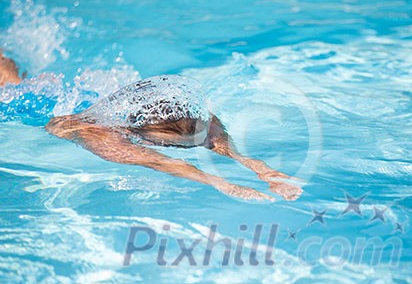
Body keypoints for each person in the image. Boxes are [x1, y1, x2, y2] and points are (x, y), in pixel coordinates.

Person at [0, 51, 302, 201]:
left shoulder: (192, 119)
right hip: (37, 111)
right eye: (170, 144)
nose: (204, 139)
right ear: (140, 134)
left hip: (88, 97)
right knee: (14, 86)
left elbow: (223, 144)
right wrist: (226, 185)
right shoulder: (103, 137)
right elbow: (161, 163)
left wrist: (266, 173)